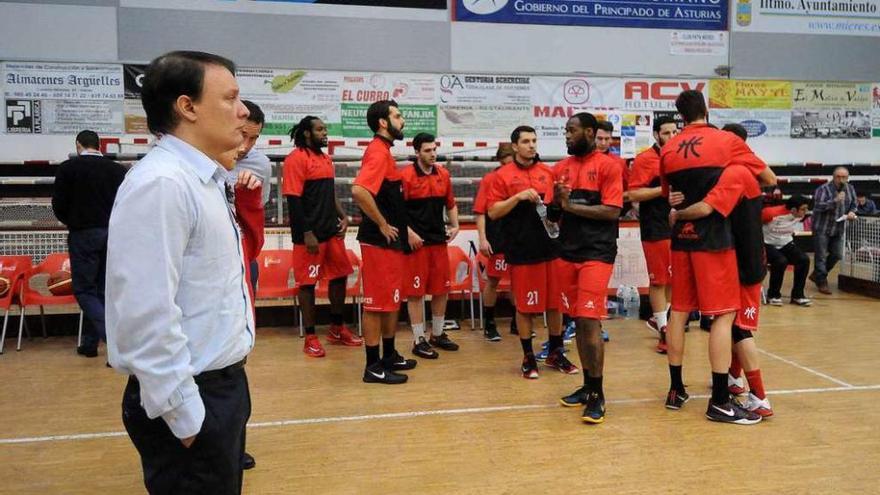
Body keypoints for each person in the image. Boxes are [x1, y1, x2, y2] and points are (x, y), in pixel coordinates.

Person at [106, 51, 254, 494]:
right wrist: (187, 418)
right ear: (187, 107)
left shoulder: (202, 180)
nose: (243, 111)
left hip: (220, 387)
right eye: (230, 98)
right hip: (192, 397)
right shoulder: (163, 184)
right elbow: (144, 314)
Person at [660, 89, 769, 425]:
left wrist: (680, 210)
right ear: (706, 110)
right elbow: (767, 177)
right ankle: (721, 399)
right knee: (723, 317)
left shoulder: (667, 148)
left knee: (678, 311)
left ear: (679, 116)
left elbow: (671, 197)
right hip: (715, 241)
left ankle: (676, 389)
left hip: (681, 241)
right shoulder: (725, 142)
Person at [670, 163, 775, 418]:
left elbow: (706, 207)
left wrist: (677, 212)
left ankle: (760, 397)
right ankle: (734, 380)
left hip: (745, 263)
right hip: (736, 258)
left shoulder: (736, 172)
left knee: (739, 328)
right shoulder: (727, 176)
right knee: (733, 325)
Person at [487, 126, 577, 379]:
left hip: (551, 248)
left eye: (534, 141)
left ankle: (556, 352)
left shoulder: (548, 172)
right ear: (515, 146)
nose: (531, 145)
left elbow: (555, 212)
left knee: (555, 304)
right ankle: (528, 357)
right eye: (526, 141)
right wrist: (516, 198)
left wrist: (560, 200)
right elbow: (493, 212)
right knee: (526, 308)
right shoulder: (502, 176)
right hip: (521, 250)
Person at [552, 113, 622, 424]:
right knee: (578, 323)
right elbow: (555, 216)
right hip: (567, 252)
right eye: (565, 130)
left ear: (590, 132)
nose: (567, 135)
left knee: (589, 321)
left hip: (597, 253)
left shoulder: (609, 166)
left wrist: (570, 206)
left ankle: (598, 394)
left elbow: (611, 211)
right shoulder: (560, 168)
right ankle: (587, 384)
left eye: (572, 130)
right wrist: (556, 203)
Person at [282, 115, 362, 358]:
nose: (325, 133)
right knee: (308, 284)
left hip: (331, 231)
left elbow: (329, 193)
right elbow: (293, 200)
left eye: (325, 129)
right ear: (307, 133)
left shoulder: (325, 158)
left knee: (340, 276)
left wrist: (344, 215)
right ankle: (310, 337)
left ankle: (337, 329)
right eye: (320, 129)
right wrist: (307, 233)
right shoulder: (295, 159)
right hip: (309, 235)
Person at [351, 100, 417, 384]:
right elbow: (359, 191)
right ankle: (372, 366)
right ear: (383, 122)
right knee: (376, 306)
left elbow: (389, 199)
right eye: (398, 116)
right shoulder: (377, 152)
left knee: (390, 302)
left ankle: (388, 355)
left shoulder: (385, 152)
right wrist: (381, 223)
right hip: (378, 242)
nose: (402, 121)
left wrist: (405, 229)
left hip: (392, 241)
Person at [51, 130, 127, 358]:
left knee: (84, 289)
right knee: (104, 289)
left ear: (78, 145)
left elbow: (59, 205)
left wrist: (73, 221)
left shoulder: (68, 169)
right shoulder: (117, 170)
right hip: (112, 234)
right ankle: (89, 343)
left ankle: (113, 341)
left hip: (83, 234)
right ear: (100, 145)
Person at [401, 133, 460, 358]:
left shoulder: (443, 174)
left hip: (438, 241)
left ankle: (437, 334)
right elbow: (397, 212)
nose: (432, 153)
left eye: (434, 149)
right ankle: (418, 339)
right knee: (415, 293)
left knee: (441, 290)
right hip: (416, 244)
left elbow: (451, 203)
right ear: (417, 152)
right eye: (427, 150)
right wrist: (409, 233)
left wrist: (454, 225)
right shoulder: (405, 176)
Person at [627, 116, 679, 354]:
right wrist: (663, 190)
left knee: (674, 280)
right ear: (656, 135)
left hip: (679, 225)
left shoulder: (681, 156)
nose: (671, 137)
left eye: (675, 132)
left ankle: (661, 320)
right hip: (655, 227)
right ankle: (663, 331)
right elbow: (633, 195)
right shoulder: (645, 159)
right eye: (666, 133)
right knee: (658, 280)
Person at [474, 144, 514, 342]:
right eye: (506, 163)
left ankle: (517, 321)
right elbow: (480, 211)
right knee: (494, 279)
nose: (510, 167)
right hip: (497, 236)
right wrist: (483, 238)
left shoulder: (520, 176)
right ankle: (490, 323)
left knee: (519, 280)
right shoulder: (490, 179)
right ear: (500, 162)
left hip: (518, 237)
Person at [810, 167, 857, 294]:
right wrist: (835, 201)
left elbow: (854, 204)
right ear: (833, 176)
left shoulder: (850, 188)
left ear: (847, 178)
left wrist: (852, 211)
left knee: (837, 254)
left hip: (839, 227)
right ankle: (821, 281)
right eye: (838, 177)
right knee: (821, 256)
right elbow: (818, 206)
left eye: (844, 177)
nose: (841, 180)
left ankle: (817, 274)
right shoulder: (823, 189)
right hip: (822, 227)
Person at [762, 195, 812, 306]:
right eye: (803, 209)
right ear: (793, 209)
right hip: (767, 244)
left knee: (804, 260)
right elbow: (753, 225)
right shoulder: (770, 213)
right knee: (781, 261)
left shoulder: (801, 215)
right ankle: (773, 295)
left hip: (785, 243)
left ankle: (797, 296)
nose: (806, 211)